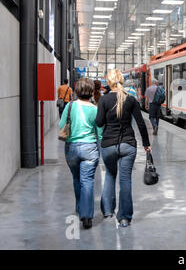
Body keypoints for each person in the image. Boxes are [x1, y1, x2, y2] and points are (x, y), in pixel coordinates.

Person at [96, 69, 151, 227]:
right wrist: (146, 145)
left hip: (108, 145)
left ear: (109, 82)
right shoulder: (131, 99)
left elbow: (99, 123)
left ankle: (107, 211)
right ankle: (125, 218)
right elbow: (141, 123)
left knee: (110, 176)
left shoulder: (104, 100)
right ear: (121, 80)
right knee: (125, 179)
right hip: (128, 145)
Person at [59, 78, 103, 230]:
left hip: (71, 148)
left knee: (77, 178)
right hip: (90, 149)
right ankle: (87, 216)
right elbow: (100, 132)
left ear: (76, 91)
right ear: (91, 92)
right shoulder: (95, 109)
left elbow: (61, 125)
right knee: (88, 180)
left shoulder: (70, 106)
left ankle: (79, 207)